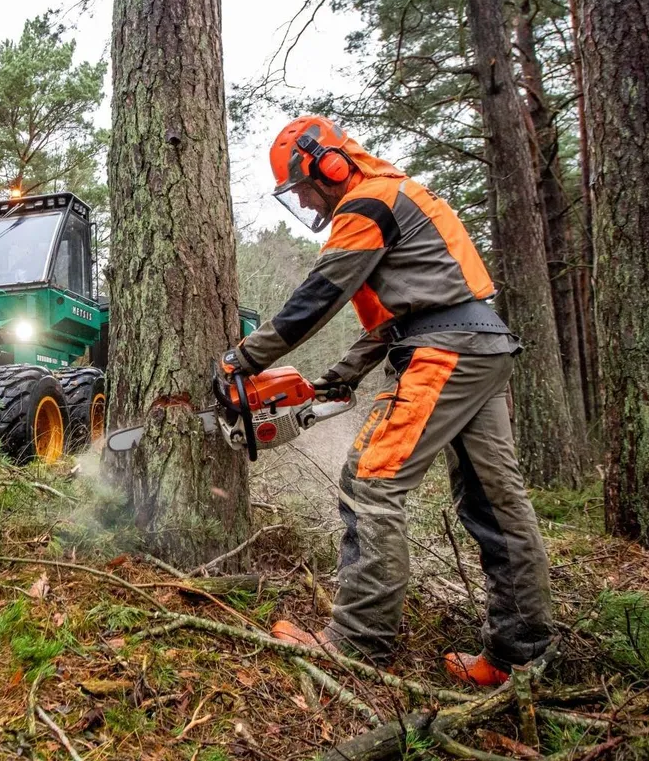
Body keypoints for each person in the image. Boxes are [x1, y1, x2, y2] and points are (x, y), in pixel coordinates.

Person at [229, 115, 553, 686]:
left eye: (304, 186)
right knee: (495, 503)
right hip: (481, 346)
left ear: (329, 163)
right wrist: (340, 378)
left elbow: (318, 296)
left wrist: (241, 361)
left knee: (370, 482)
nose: (305, 200)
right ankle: (517, 656)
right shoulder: (400, 198)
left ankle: (358, 641)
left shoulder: (368, 203)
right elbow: (391, 322)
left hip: (445, 351)